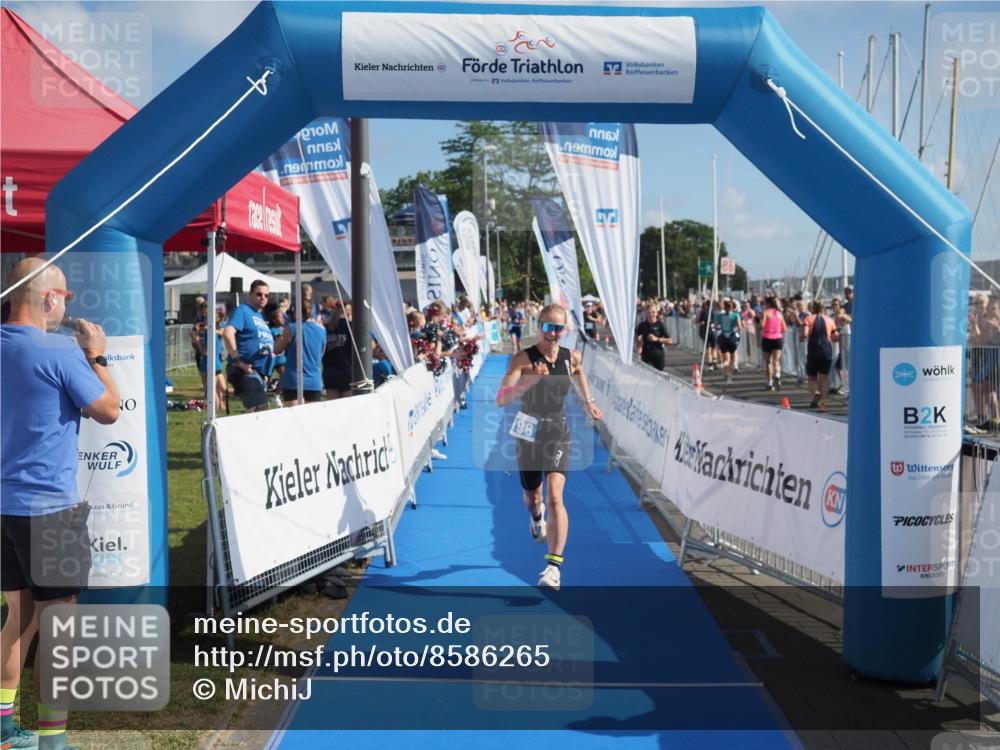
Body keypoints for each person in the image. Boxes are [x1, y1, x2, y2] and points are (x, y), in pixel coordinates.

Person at [1, 258, 120, 750]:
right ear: (48, 298)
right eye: (65, 299)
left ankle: (5, 727)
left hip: (5, 508)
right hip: (49, 508)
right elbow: (110, 410)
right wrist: (97, 356)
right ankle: (53, 740)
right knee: (57, 629)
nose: (65, 308)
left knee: (18, 617)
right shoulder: (58, 350)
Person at [495, 304, 603, 591]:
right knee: (533, 497)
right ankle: (536, 517)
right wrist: (531, 380)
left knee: (556, 495)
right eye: (547, 327)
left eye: (558, 328)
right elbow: (502, 399)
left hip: (558, 430)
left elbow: (579, 372)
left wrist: (589, 400)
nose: (553, 333)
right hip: (528, 431)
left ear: (565, 330)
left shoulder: (571, 357)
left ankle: (554, 568)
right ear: (538, 326)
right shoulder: (523, 358)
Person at [222, 280, 274, 412]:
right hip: (244, 370)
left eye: (266, 295)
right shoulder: (243, 310)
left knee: (257, 412)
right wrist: (238, 361)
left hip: (257, 373)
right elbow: (228, 333)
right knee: (260, 410)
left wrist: (266, 372)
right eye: (259, 294)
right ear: (250, 295)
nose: (263, 297)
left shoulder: (259, 316)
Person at [274, 300, 327, 405]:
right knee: (311, 420)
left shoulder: (292, 328)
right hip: (314, 381)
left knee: (293, 420)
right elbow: (321, 354)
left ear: (294, 312)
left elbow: (276, 349)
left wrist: (279, 335)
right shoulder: (322, 330)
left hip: (293, 380)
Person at [802, 299, 839, 411]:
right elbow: (835, 337)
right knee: (824, 378)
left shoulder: (808, 319)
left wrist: (802, 337)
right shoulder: (830, 320)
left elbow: (804, 334)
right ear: (823, 308)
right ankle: (823, 404)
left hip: (814, 351)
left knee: (812, 378)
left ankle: (816, 393)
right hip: (826, 351)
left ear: (812, 308)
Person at [322, 302, 353, 400]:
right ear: (349, 313)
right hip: (347, 373)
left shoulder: (326, 328)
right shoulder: (352, 327)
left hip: (329, 373)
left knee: (333, 410)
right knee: (347, 410)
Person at [760, 296, 786, 391]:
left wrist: (760, 320)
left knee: (768, 362)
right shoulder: (779, 314)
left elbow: (762, 325)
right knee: (776, 360)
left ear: (768, 304)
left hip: (767, 337)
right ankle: (777, 375)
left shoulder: (765, 313)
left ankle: (769, 383)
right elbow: (784, 328)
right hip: (778, 338)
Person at [634, 304, 671, 371]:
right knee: (648, 375)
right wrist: (638, 343)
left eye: (653, 312)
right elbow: (637, 334)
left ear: (656, 313)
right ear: (646, 314)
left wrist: (657, 339)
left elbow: (669, 340)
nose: (651, 314)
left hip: (658, 355)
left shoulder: (660, 325)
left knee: (659, 377)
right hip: (646, 355)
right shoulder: (642, 325)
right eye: (649, 312)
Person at [715, 299, 742, 386]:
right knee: (732, 359)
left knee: (726, 359)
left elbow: (715, 326)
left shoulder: (719, 316)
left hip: (723, 337)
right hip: (732, 337)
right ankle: (728, 375)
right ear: (732, 307)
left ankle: (726, 373)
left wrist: (721, 327)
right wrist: (735, 328)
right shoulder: (735, 315)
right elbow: (740, 327)